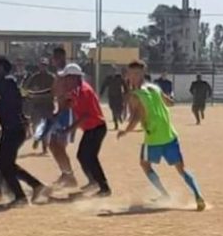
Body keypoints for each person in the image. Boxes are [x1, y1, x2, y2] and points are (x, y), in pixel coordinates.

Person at [118, 60, 206, 211]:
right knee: (182, 169)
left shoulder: (134, 95)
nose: (132, 77)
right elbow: (170, 103)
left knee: (144, 164)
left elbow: (136, 117)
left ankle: (165, 194)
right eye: (131, 74)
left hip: (153, 139)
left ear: (141, 74)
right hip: (170, 136)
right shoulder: (154, 88)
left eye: (135, 74)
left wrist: (125, 131)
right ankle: (198, 196)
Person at [0, 56, 49, 206]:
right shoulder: (8, 83)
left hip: (13, 130)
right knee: (6, 163)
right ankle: (36, 186)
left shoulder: (4, 83)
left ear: (0, 67)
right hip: (13, 129)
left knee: (4, 163)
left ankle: (21, 196)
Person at [60, 63, 111, 196]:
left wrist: (69, 129)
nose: (64, 80)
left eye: (67, 77)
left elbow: (86, 115)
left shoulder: (84, 91)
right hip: (91, 128)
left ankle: (104, 187)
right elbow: (73, 104)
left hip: (96, 128)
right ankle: (94, 182)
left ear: (74, 78)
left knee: (90, 157)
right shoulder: (77, 90)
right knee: (83, 156)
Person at [46, 46, 78, 187]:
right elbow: (53, 93)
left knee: (58, 144)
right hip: (61, 113)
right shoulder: (58, 75)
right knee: (54, 144)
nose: (54, 61)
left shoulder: (67, 74)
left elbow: (70, 96)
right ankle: (66, 174)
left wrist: (59, 113)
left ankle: (69, 176)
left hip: (68, 113)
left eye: (55, 58)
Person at [23, 57, 56, 154]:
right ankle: (37, 138)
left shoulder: (52, 77)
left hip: (48, 106)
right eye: (41, 65)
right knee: (36, 125)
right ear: (39, 66)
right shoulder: (34, 77)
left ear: (47, 66)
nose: (43, 67)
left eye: (45, 65)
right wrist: (30, 95)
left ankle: (44, 148)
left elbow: (55, 91)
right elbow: (26, 89)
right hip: (36, 106)